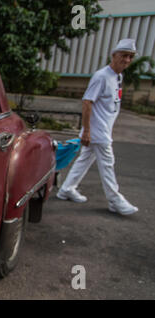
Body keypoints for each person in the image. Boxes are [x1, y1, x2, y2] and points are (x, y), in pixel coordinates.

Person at [56, 38, 138, 216]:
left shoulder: (118, 77)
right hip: (97, 131)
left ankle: (66, 189)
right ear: (114, 55)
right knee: (108, 164)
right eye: (123, 55)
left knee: (85, 159)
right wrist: (86, 131)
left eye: (130, 56)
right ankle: (115, 200)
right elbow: (87, 102)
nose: (127, 60)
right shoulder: (101, 76)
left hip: (103, 129)